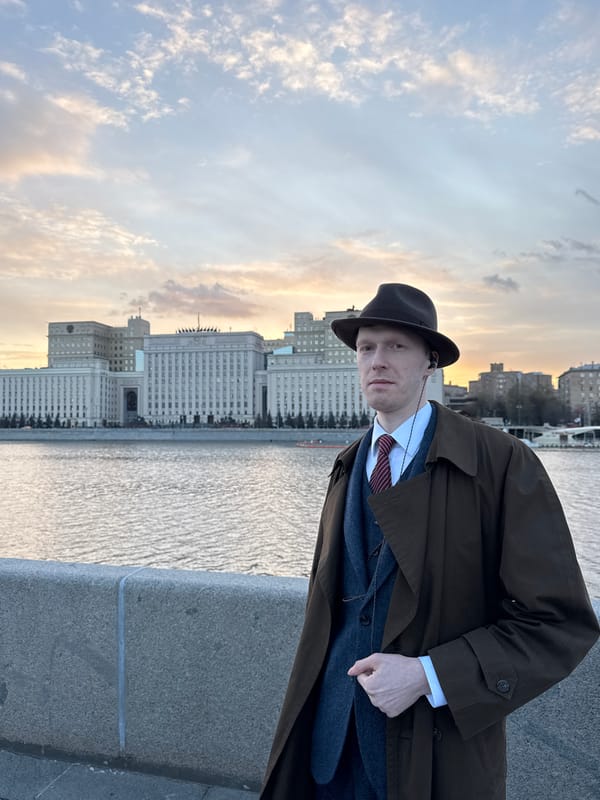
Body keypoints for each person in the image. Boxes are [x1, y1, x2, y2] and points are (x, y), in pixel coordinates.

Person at [260, 283, 599, 800]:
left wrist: (429, 674)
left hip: (429, 755)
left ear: (430, 363)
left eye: (397, 347)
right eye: (367, 347)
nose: (378, 360)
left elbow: (558, 623)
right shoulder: (347, 466)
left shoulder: (502, 464)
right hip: (327, 749)